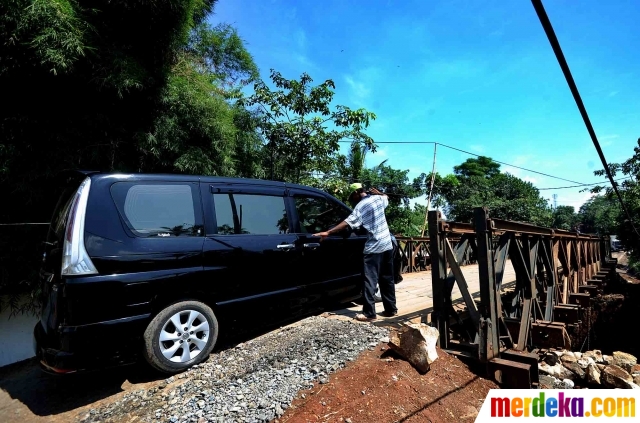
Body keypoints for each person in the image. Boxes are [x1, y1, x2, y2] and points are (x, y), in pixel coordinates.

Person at [313, 183, 397, 321]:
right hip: (387, 243)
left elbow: (348, 222)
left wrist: (328, 232)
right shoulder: (378, 199)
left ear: (358, 192)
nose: (353, 199)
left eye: (353, 196)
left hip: (374, 247)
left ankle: (369, 313)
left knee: (369, 279)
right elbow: (386, 197)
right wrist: (379, 192)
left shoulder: (361, 206)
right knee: (387, 278)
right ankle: (391, 309)